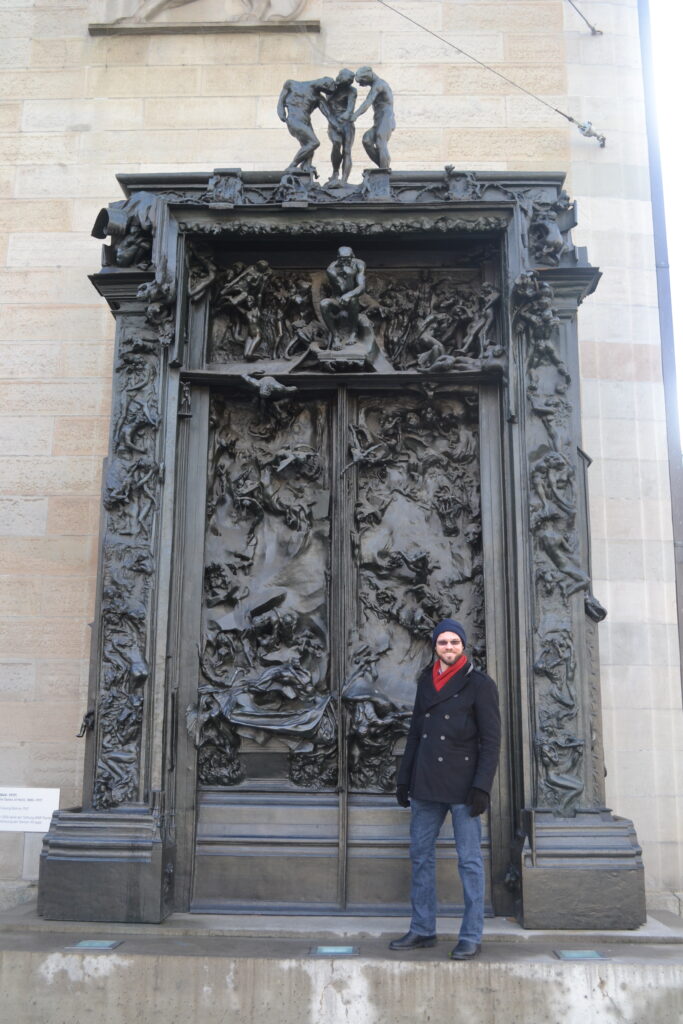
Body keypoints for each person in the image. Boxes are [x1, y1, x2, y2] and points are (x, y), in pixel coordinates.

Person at [390, 618, 501, 960]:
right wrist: (404, 778)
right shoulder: (427, 681)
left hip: (463, 786)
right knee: (420, 856)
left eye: (454, 642)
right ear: (435, 646)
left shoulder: (480, 684)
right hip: (426, 784)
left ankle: (471, 935)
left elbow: (491, 740)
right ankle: (423, 929)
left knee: (469, 861)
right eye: (443, 642)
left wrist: (482, 786)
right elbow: (415, 734)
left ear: (462, 646)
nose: (449, 647)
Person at [277, 77, 335, 173]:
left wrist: (339, 125)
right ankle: (292, 166)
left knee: (308, 147)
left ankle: (306, 167)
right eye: (326, 89)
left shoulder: (319, 98)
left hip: (306, 122)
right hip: (294, 120)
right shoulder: (291, 84)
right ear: (324, 84)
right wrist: (280, 110)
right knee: (313, 143)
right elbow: (281, 99)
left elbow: (329, 115)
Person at [349, 66, 395, 169]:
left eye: (362, 81)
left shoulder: (379, 85)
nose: (361, 85)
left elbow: (368, 102)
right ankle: (382, 167)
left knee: (380, 141)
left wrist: (355, 115)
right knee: (367, 140)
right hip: (378, 121)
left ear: (369, 75)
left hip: (386, 119)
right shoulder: (376, 85)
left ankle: (383, 172)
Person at [320, 68, 357, 184]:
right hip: (333, 121)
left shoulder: (351, 91)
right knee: (336, 142)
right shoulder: (330, 89)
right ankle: (335, 172)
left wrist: (344, 118)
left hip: (347, 123)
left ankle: (344, 180)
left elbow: (350, 109)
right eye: (343, 81)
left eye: (347, 83)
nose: (344, 84)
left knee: (347, 150)